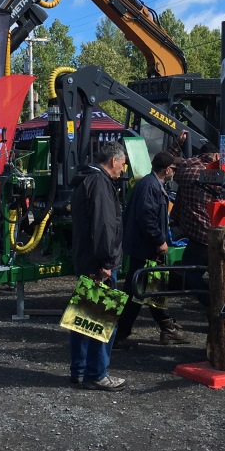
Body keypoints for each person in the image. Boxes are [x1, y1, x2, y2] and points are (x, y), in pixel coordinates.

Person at [115, 150, 189, 347]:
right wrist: (159, 240)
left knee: (147, 288)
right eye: (174, 168)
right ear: (166, 170)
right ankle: (122, 333)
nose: (175, 171)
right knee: (138, 290)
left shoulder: (151, 183)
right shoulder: (150, 186)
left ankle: (164, 328)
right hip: (145, 247)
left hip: (143, 246)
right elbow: (147, 217)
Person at [70, 141, 127, 391]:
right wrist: (106, 262)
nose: (123, 170)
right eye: (122, 164)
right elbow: (104, 226)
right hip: (99, 263)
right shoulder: (101, 183)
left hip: (86, 259)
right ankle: (97, 373)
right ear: (113, 161)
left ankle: (80, 370)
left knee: (84, 319)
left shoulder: (86, 180)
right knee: (103, 322)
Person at [168, 135, 220, 305]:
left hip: (199, 236)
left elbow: (166, 160)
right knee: (219, 275)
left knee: (190, 273)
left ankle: (210, 302)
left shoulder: (186, 169)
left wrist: (178, 143)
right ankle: (217, 302)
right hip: (220, 233)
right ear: (216, 156)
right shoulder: (222, 174)